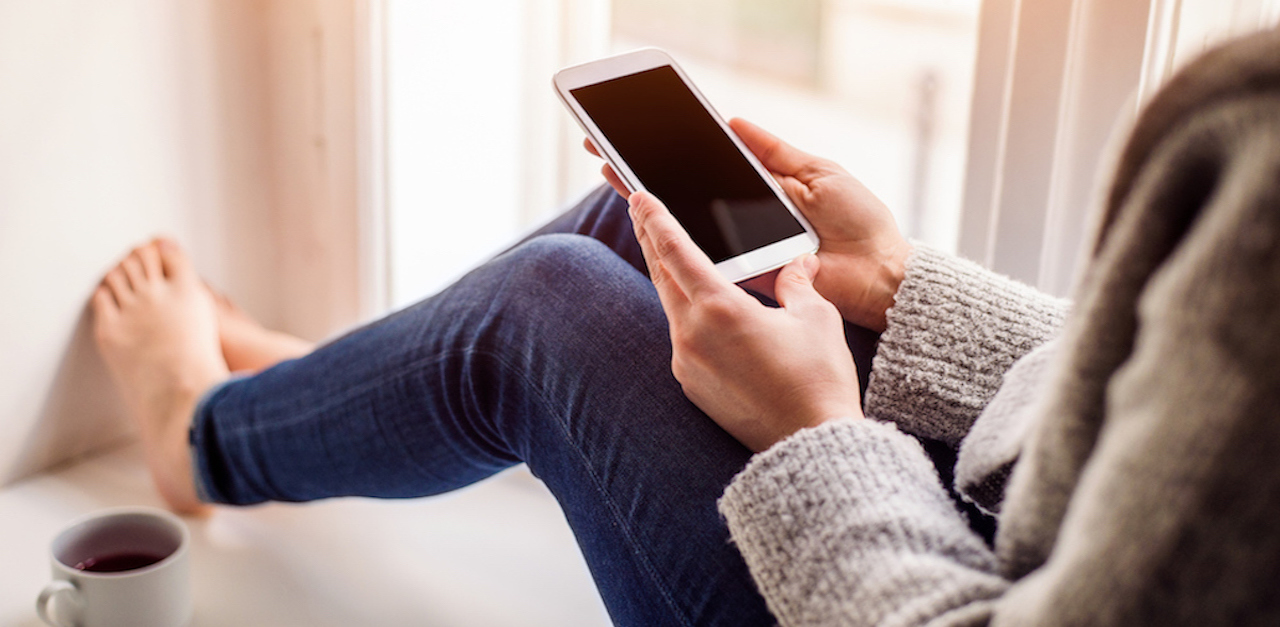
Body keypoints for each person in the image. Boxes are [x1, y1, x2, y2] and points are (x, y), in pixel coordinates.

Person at [91, 30, 1280, 626]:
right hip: (1015, 512)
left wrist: (812, 431)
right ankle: (340, 396)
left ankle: (199, 444)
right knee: (639, 222)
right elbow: (1147, 378)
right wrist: (906, 285)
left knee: (536, 311)